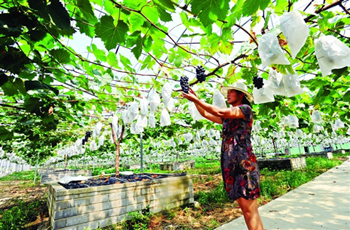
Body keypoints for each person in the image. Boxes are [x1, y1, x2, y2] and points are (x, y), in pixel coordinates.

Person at [183, 81, 264, 230]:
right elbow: (206, 114)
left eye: (231, 91)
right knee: (246, 210)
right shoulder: (229, 117)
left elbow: (219, 112)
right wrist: (196, 100)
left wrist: (196, 99)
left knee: (249, 210)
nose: (228, 94)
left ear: (241, 95)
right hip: (232, 164)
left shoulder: (245, 109)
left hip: (243, 164)